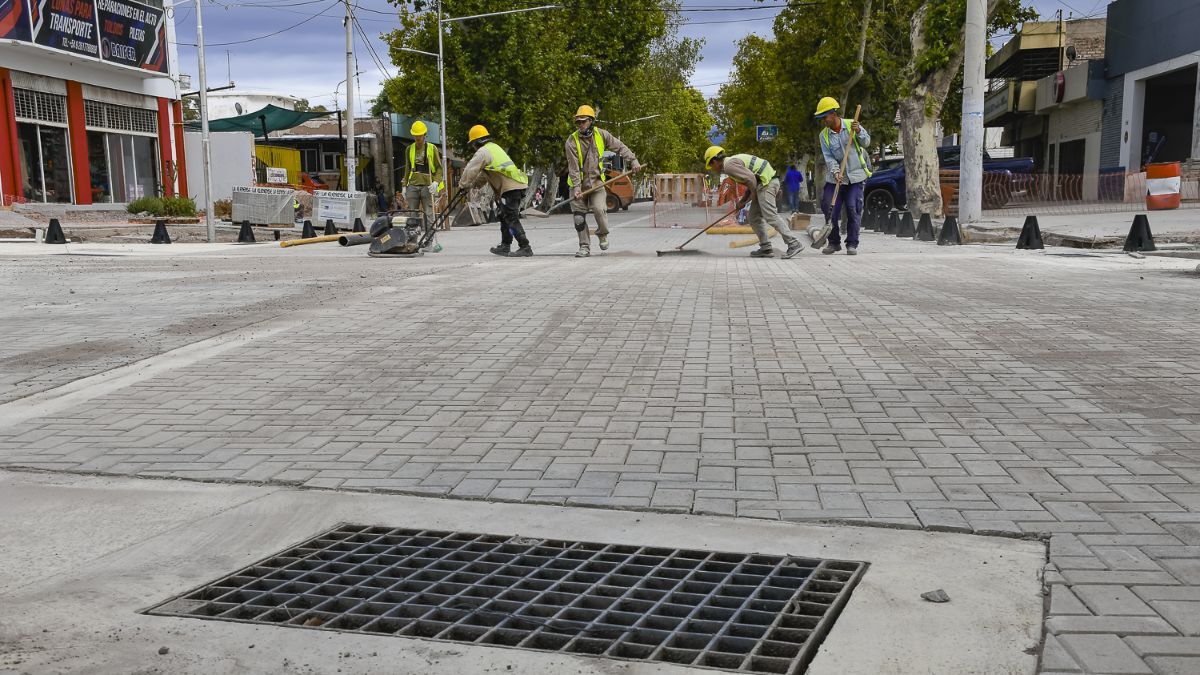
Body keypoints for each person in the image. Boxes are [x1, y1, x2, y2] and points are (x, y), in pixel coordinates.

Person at [565, 104, 642, 258]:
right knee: (579, 218)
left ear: (591, 121)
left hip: (597, 183)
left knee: (600, 210)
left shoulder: (602, 135)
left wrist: (633, 160)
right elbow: (573, 168)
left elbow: (620, 147)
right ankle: (584, 247)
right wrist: (577, 188)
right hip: (577, 184)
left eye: (583, 121)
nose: (580, 125)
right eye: (578, 122)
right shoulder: (571, 142)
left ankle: (602, 233)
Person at [704, 146, 804, 259]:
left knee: (770, 216)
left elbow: (751, 179)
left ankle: (794, 243)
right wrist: (742, 201)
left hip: (767, 183)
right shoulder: (731, 164)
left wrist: (753, 195)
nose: (712, 168)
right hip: (764, 184)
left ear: (715, 161)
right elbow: (750, 182)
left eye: (711, 165)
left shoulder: (728, 166)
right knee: (753, 217)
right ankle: (766, 248)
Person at [460, 124, 533, 257]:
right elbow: (485, 173)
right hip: (515, 185)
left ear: (476, 142)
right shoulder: (494, 148)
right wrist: (475, 185)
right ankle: (505, 245)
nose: (473, 147)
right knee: (504, 216)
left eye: (472, 144)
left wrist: (463, 185)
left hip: (510, 187)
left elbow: (470, 169)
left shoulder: (483, 152)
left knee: (511, 217)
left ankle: (525, 246)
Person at [813, 97, 871, 255]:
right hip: (835, 178)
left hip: (855, 176)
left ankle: (852, 243)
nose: (823, 121)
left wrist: (859, 131)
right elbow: (829, 157)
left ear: (833, 114)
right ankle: (834, 242)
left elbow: (866, 143)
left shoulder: (851, 124)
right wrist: (836, 171)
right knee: (828, 206)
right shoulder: (823, 135)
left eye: (824, 117)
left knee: (853, 208)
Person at [404, 120, 443, 252]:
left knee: (429, 214)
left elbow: (439, 168)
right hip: (413, 185)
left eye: (420, 135)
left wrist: (436, 182)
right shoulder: (409, 149)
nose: (417, 138)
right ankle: (412, 241)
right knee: (412, 215)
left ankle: (429, 241)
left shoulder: (432, 148)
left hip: (427, 185)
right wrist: (405, 185)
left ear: (424, 135)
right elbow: (408, 169)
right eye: (415, 135)